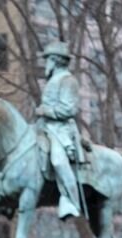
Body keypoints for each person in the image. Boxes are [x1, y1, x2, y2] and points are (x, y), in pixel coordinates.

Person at [35, 40, 84, 221]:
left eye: (47, 59)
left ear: (55, 60)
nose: (45, 63)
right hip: (44, 127)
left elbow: (69, 109)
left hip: (60, 130)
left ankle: (71, 201)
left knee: (57, 161)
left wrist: (45, 110)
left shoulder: (68, 80)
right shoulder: (52, 80)